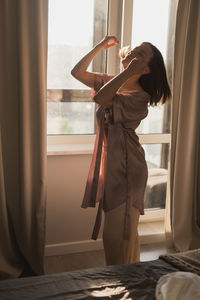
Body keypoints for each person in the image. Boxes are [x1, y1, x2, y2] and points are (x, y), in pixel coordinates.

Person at [71, 36, 171, 266]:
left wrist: (127, 73)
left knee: (117, 235)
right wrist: (99, 46)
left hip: (128, 169)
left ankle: (123, 284)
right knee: (122, 234)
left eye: (140, 54)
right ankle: (130, 281)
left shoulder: (139, 98)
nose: (132, 52)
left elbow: (101, 97)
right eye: (133, 49)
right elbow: (77, 72)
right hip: (114, 165)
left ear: (146, 69)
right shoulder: (114, 82)